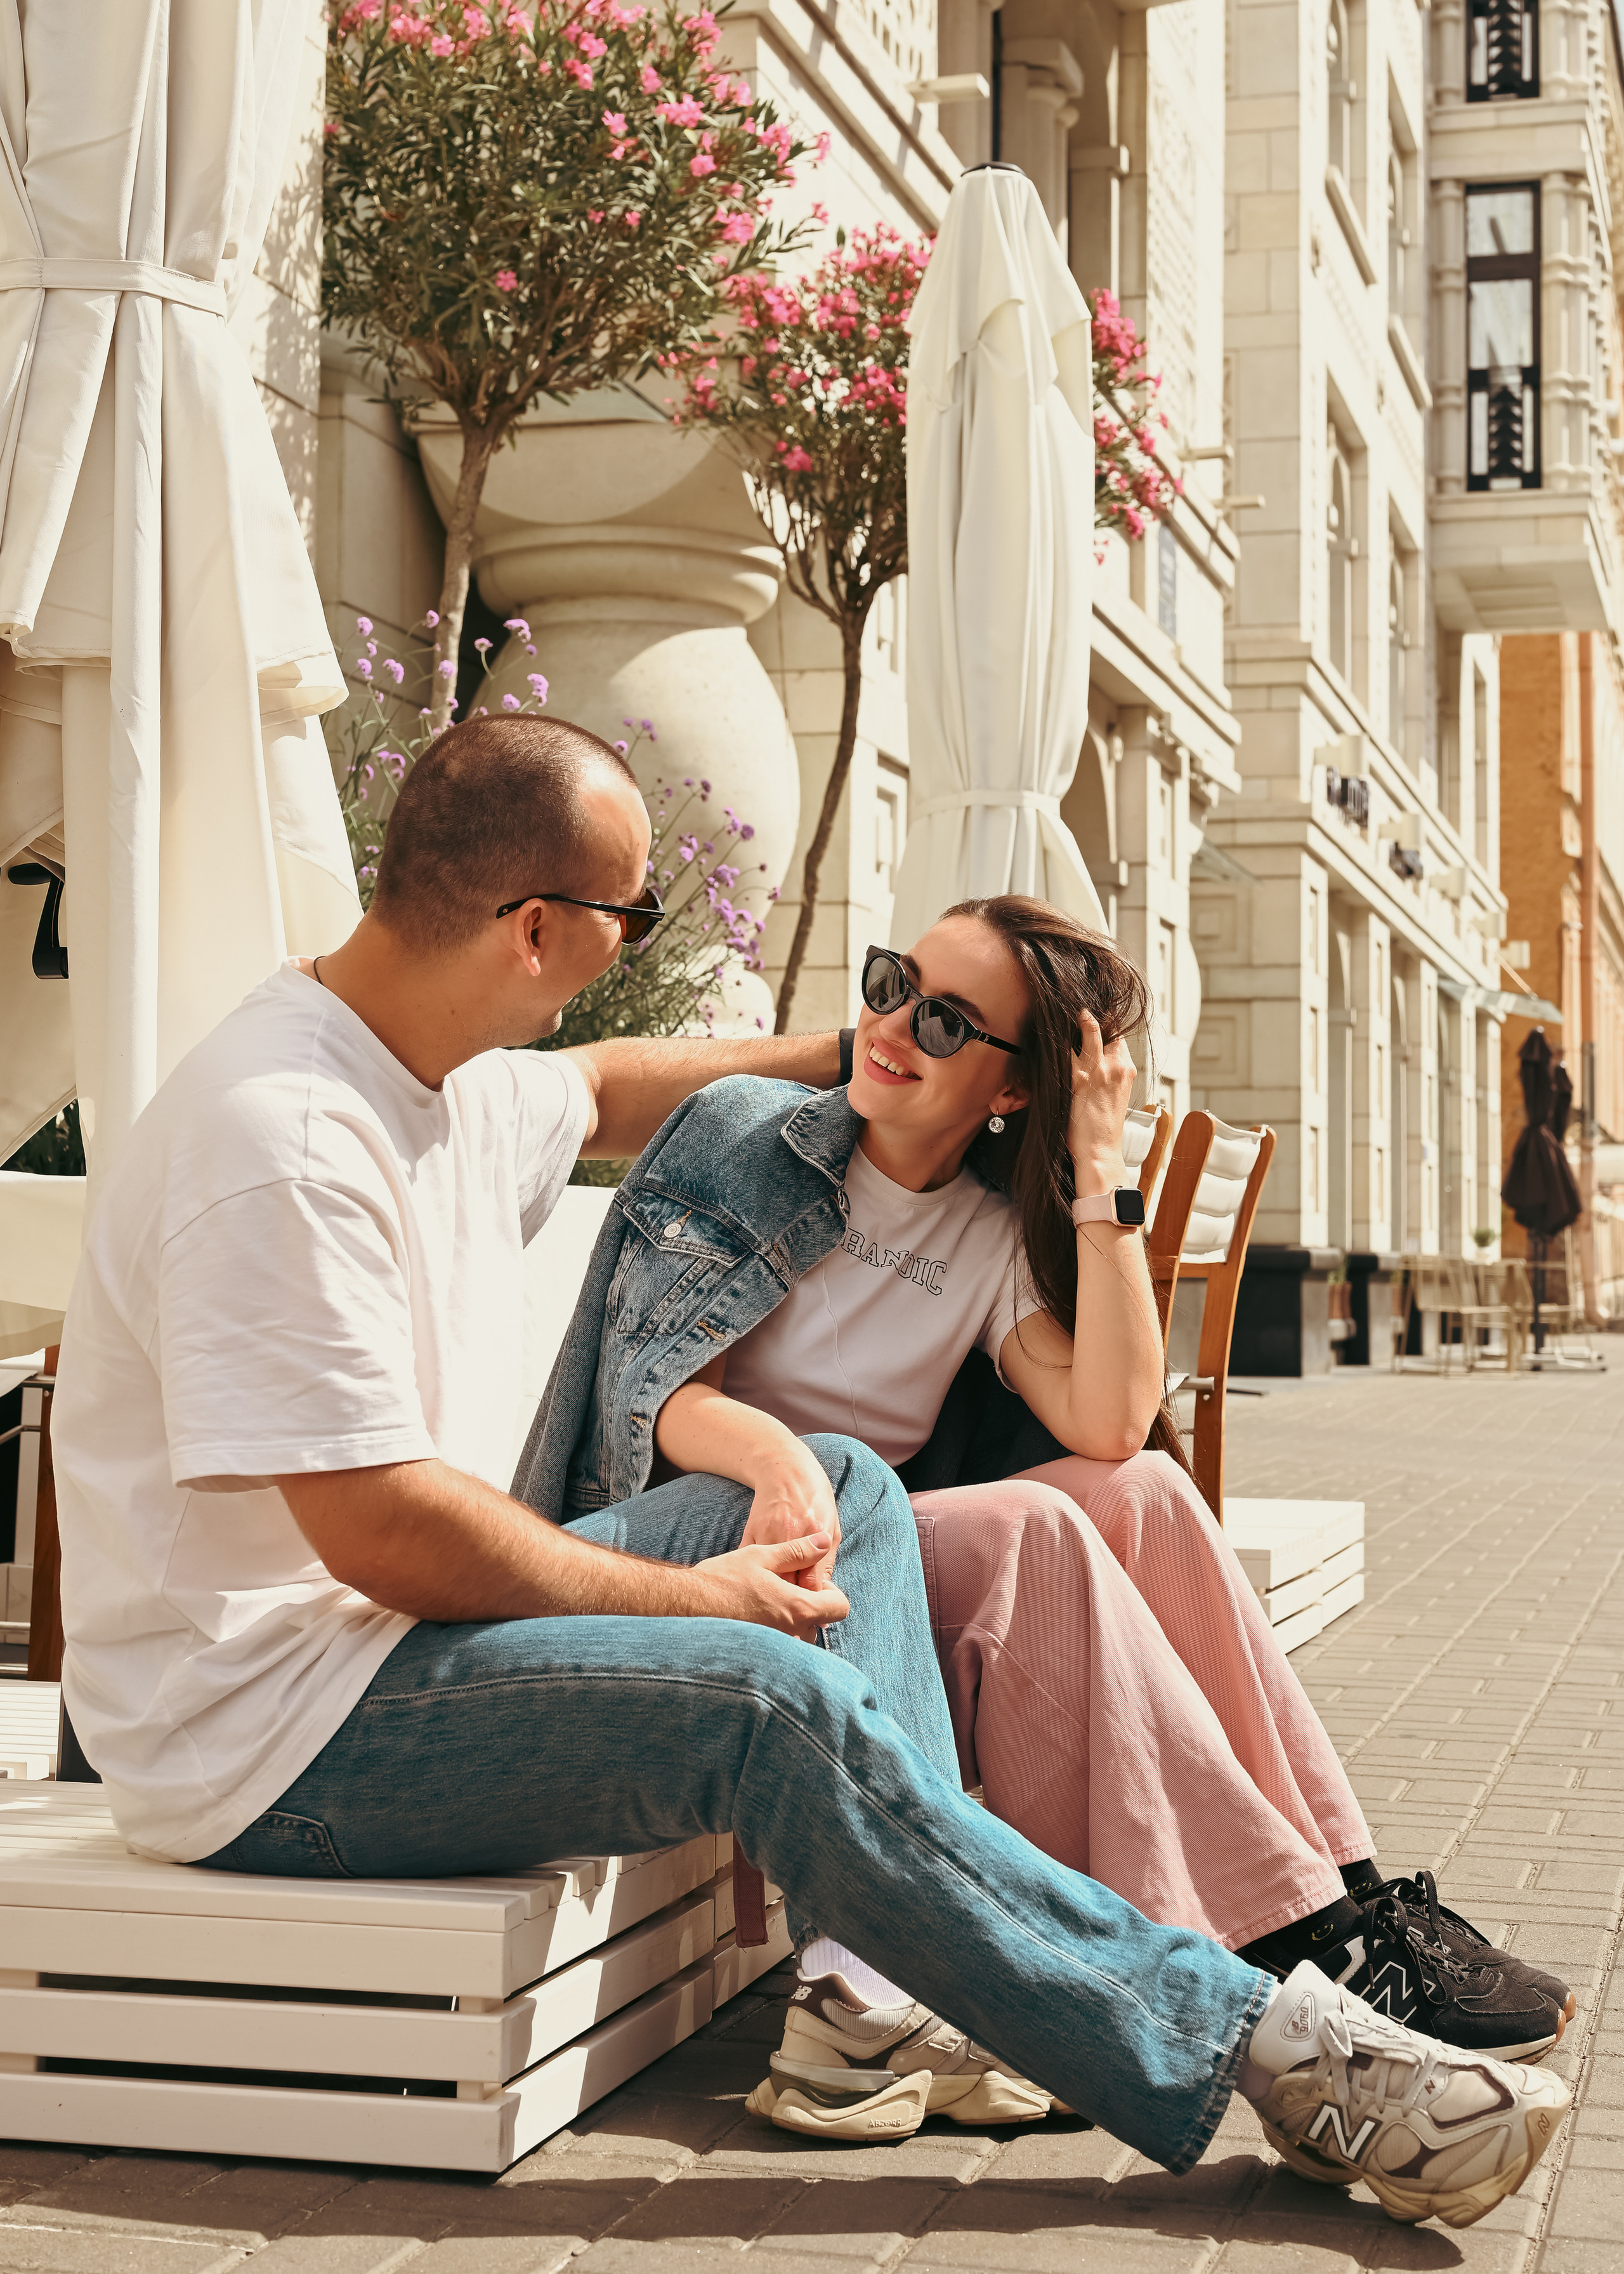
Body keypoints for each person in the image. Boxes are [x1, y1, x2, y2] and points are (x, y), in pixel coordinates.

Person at [51, 717, 1569, 2235]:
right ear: (536, 929)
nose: (638, 944)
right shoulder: (283, 1140)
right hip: (270, 1743)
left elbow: (611, 1081)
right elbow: (381, 1532)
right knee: (763, 1701)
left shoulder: (443, 1081)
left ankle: (878, 1993)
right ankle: (1280, 2052)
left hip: (379, 1654)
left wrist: (859, 1055)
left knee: (834, 1478)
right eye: (632, 916)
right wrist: (681, 1594)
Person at [516, 894, 1573, 2148]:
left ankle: (1337, 1900)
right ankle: (1271, 1945)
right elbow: (647, 1398)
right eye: (892, 982)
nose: (896, 1024)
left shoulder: (979, 1232)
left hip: (870, 1568)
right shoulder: (740, 1134)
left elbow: (1112, 1419)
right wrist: (779, 1459)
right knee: (1036, 1533)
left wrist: (1099, 1176)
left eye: (948, 1020)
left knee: (1139, 1493)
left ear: (1013, 1090)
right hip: (704, 1548)